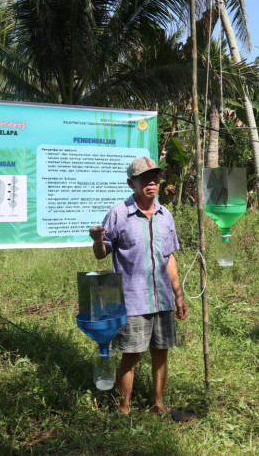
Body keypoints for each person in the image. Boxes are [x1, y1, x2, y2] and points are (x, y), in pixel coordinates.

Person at [89, 156, 193, 421]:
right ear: (131, 183)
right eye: (144, 178)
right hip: (133, 299)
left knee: (161, 351)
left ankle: (159, 403)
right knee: (131, 354)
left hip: (162, 298)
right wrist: (99, 238)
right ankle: (124, 408)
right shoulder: (118, 213)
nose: (152, 182)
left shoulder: (165, 215)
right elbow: (102, 254)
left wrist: (178, 295)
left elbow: (169, 257)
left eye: (155, 177)